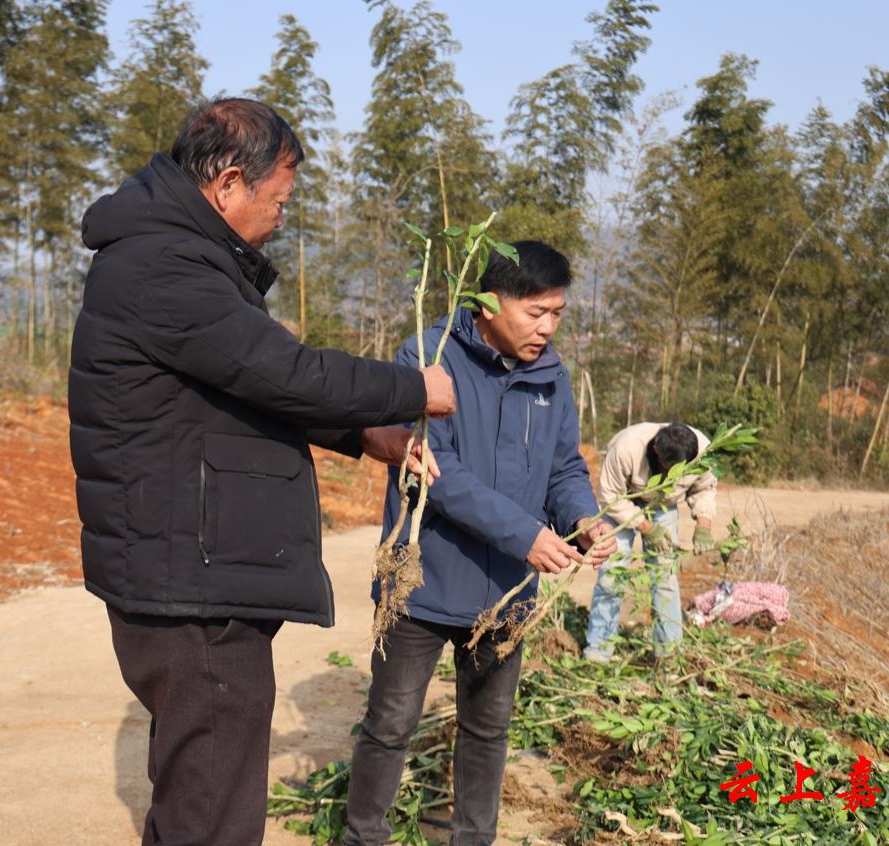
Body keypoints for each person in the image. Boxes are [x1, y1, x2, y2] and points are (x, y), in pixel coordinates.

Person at [68, 97, 457, 846]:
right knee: (212, 811)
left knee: (198, 795)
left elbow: (239, 386)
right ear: (227, 186)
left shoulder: (170, 255)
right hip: (191, 580)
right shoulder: (164, 265)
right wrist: (412, 389)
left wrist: (362, 434)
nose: (282, 216)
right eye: (278, 200)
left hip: (191, 569)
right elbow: (282, 371)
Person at [344, 241, 616, 846]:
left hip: (506, 593)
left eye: (557, 314)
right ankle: (363, 837)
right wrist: (527, 535)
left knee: (488, 730)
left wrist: (583, 520)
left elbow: (564, 468)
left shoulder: (551, 376)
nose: (547, 328)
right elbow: (437, 474)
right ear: (489, 303)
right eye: (535, 313)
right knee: (390, 725)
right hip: (423, 582)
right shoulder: (429, 357)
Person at [583, 421, 718, 662]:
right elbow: (609, 496)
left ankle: (668, 652)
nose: (675, 475)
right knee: (611, 576)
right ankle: (599, 652)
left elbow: (705, 488)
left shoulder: (703, 450)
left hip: (663, 505)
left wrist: (704, 524)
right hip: (623, 501)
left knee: (665, 576)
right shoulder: (626, 448)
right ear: (656, 450)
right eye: (669, 468)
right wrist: (646, 527)